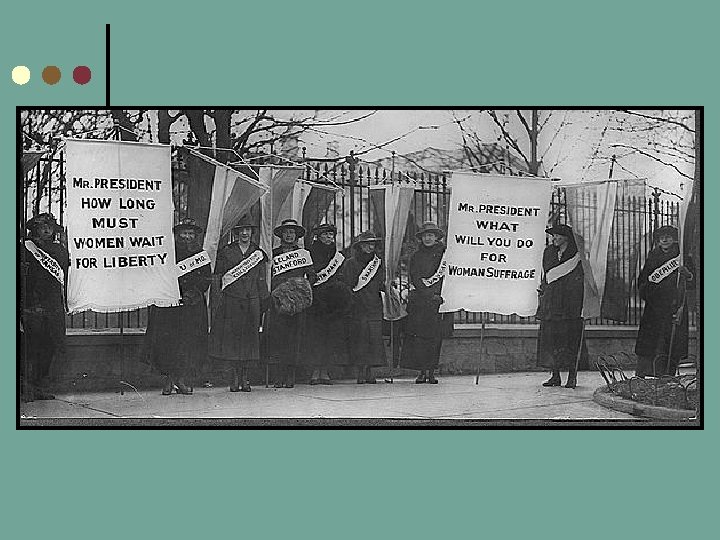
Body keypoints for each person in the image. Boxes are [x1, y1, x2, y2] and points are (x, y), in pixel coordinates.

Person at [144, 218, 210, 395]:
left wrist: (191, 295)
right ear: (177, 235)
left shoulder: (201, 255)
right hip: (169, 305)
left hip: (191, 305)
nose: (187, 237)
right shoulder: (167, 253)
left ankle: (180, 380)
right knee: (168, 343)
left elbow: (206, 279)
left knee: (188, 343)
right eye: (184, 233)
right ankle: (168, 380)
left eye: (190, 233)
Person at [209, 217, 270, 392]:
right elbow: (219, 276)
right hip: (232, 300)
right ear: (236, 233)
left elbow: (261, 279)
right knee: (233, 340)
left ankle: (245, 377)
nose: (244, 233)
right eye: (241, 230)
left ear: (252, 232)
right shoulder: (227, 252)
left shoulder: (257, 253)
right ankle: (234, 378)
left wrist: (264, 299)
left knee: (250, 340)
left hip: (252, 300)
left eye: (247, 230)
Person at [20, 213, 69, 402]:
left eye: (50, 226)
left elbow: (64, 270)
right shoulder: (26, 248)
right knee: (31, 347)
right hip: (32, 305)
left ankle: (39, 386)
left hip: (52, 305)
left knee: (50, 346)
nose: (47, 229)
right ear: (35, 229)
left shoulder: (58, 249)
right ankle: (26, 387)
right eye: (42, 226)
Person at [635, 225, 694, 377]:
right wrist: (649, 292)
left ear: (674, 239)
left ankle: (666, 375)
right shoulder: (652, 257)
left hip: (674, 306)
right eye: (661, 237)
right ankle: (644, 374)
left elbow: (693, 283)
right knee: (650, 343)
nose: (665, 239)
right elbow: (643, 281)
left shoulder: (682, 257)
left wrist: (687, 275)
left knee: (670, 343)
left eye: (668, 236)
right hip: (654, 308)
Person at [266, 218, 316, 388]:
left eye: (292, 232)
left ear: (296, 236)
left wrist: (300, 289)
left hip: (296, 303)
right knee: (278, 338)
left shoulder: (304, 254)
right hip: (278, 302)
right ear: (281, 235)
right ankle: (278, 376)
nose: (289, 235)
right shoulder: (273, 254)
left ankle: (290, 375)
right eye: (286, 232)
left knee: (294, 338)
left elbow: (312, 276)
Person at [536, 224, 584, 389]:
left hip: (570, 304)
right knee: (551, 341)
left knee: (570, 340)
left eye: (557, 235)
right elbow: (547, 274)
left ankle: (572, 376)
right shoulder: (549, 252)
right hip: (552, 303)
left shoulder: (577, 254)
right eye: (553, 235)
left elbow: (580, 277)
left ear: (567, 238)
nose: (554, 238)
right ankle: (555, 375)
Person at [400, 222, 446, 384]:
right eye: (425, 235)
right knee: (420, 339)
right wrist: (427, 294)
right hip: (420, 302)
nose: (428, 238)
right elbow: (415, 277)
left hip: (437, 302)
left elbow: (445, 277)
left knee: (434, 339)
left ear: (436, 237)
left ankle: (431, 372)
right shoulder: (416, 256)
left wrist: (437, 295)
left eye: (431, 235)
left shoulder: (443, 256)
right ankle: (421, 372)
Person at [305, 223, 352, 384]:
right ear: (318, 237)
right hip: (316, 299)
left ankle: (324, 371)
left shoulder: (337, 255)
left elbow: (341, 274)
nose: (329, 238)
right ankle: (315, 371)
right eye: (325, 235)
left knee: (329, 337)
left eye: (331, 235)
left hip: (332, 301)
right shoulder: (311, 252)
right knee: (315, 336)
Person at [344, 231, 386, 384]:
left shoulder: (378, 263)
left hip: (374, 304)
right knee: (360, 339)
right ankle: (360, 371)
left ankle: (370, 370)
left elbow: (381, 283)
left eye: (372, 244)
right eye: (366, 244)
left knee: (374, 339)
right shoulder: (351, 263)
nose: (370, 247)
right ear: (360, 246)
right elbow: (347, 285)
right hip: (358, 306)